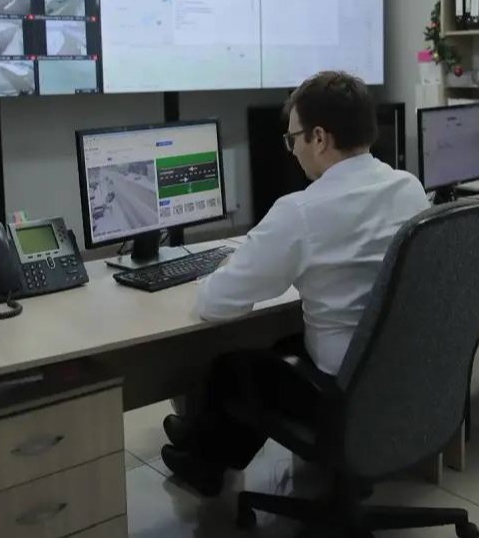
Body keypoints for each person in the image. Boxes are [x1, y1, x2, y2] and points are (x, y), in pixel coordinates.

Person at [161, 71, 429, 494]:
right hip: (402, 377)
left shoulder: (301, 211)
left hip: (341, 392)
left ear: (319, 138)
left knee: (232, 368)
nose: (293, 151)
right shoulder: (408, 188)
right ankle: (198, 441)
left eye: (293, 139)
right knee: (280, 344)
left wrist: (230, 266)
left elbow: (215, 305)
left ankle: (203, 464)